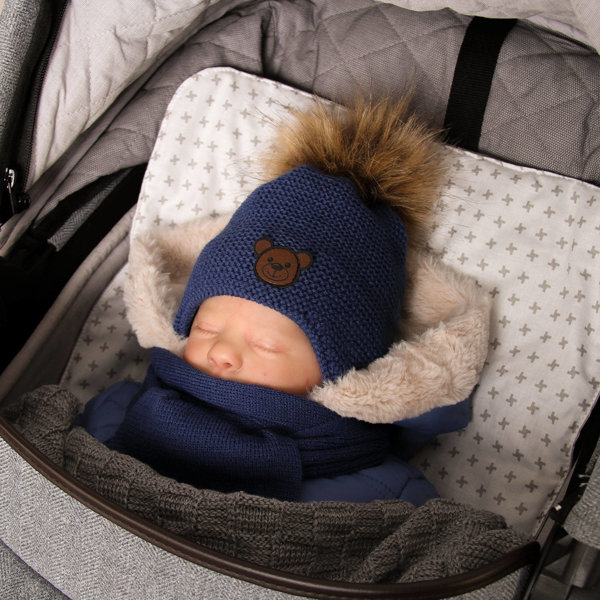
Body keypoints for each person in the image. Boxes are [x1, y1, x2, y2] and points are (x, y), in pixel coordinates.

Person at [79, 98, 489, 504]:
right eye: (205, 328)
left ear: (344, 369)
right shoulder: (120, 407)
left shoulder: (380, 491)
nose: (221, 350)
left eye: (266, 344)